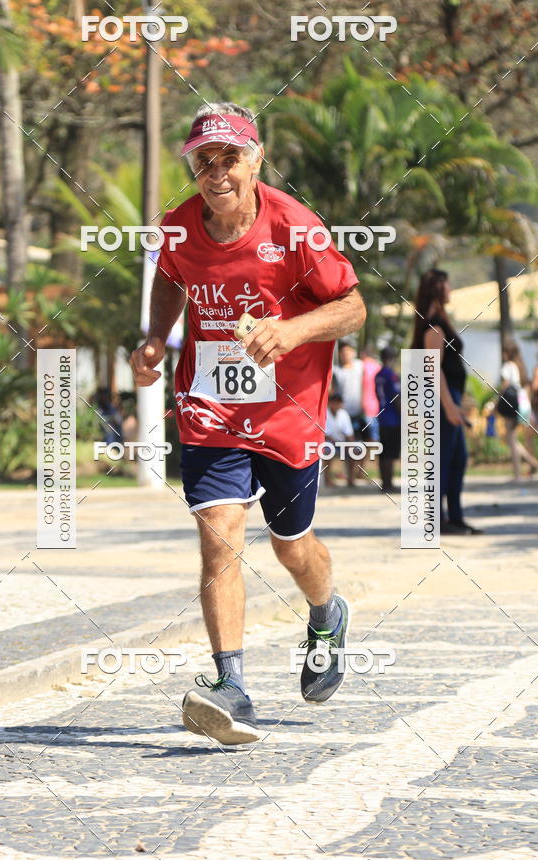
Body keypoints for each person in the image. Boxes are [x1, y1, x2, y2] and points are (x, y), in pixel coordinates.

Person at [130, 102, 366, 745]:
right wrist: (156, 338)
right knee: (218, 539)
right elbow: (171, 276)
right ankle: (231, 685)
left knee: (292, 547)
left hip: (288, 414)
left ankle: (326, 612)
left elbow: (353, 307)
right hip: (209, 409)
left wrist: (291, 331)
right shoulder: (177, 226)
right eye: (204, 160)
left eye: (230, 157)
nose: (216, 172)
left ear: (256, 158)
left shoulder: (294, 226)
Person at [411, 269, 483, 535]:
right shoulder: (434, 326)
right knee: (441, 460)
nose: (451, 288)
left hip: (449, 397)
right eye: (448, 283)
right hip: (442, 399)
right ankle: (437, 521)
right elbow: (432, 369)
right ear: (438, 287)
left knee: (458, 459)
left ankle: (455, 517)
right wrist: (450, 406)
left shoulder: (439, 321)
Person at [498, 340, 538, 481]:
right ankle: (531, 462)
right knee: (512, 438)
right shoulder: (520, 366)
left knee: (511, 438)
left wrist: (496, 401)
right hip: (522, 402)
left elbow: (505, 385)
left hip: (512, 403)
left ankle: (517, 474)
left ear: (507, 353)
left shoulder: (508, 366)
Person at [333, 340, 365, 486]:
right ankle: (349, 476)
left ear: (353, 353)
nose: (346, 355)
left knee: (360, 445)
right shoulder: (337, 370)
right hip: (343, 414)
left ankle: (357, 474)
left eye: (348, 352)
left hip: (359, 412)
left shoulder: (360, 366)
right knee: (346, 447)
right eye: (343, 352)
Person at [374, 346, 400, 493]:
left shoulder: (378, 375)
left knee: (383, 452)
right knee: (390, 452)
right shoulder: (391, 375)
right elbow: (396, 397)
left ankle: (384, 483)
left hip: (382, 417)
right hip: (393, 419)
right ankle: (389, 484)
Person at [324, 392, 354, 487]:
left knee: (355, 450)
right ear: (330, 403)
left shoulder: (344, 414)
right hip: (328, 443)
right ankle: (328, 480)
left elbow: (349, 433)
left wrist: (351, 445)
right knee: (328, 451)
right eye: (334, 402)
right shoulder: (325, 413)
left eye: (339, 402)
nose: (337, 405)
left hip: (341, 443)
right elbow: (324, 434)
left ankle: (351, 479)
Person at [361, 344, 381, 441]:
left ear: (363, 354)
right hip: (376, 404)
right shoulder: (378, 366)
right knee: (375, 434)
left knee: (365, 436)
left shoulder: (361, 366)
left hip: (363, 404)